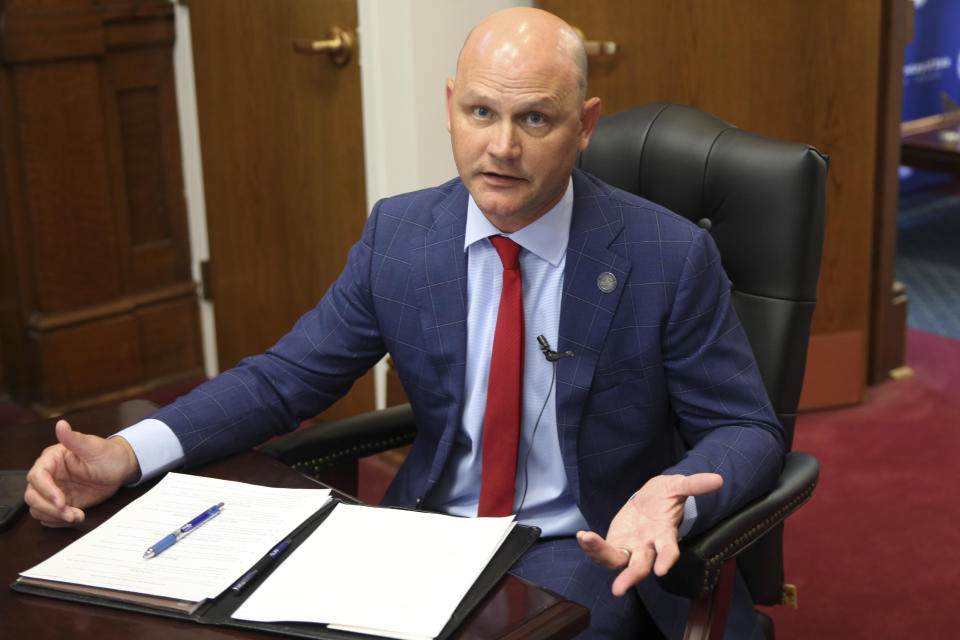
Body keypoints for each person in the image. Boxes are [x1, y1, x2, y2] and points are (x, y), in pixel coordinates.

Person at [24, 7, 783, 639]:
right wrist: (124, 454)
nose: (502, 147)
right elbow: (286, 378)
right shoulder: (402, 235)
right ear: (450, 105)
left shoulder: (666, 255)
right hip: (425, 536)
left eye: (536, 120)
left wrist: (672, 492)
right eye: (480, 112)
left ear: (584, 127)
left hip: (583, 543)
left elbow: (749, 427)